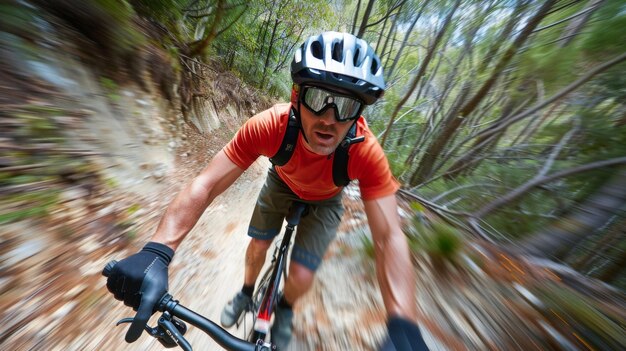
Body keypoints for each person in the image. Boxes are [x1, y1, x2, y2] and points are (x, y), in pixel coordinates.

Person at [104, 31, 429, 351]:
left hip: (326, 201)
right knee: (258, 247)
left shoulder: (366, 152)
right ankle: (246, 291)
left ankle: (285, 308)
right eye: (318, 100)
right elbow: (206, 184)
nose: (329, 119)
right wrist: (158, 250)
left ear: (359, 114)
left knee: (301, 276)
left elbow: (389, 237)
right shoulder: (271, 125)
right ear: (296, 97)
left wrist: (402, 321)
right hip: (281, 185)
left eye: (346, 106)